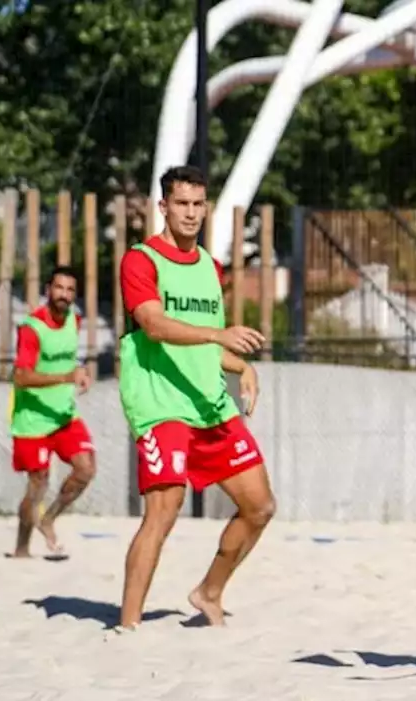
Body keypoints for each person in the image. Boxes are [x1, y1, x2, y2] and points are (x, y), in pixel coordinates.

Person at [116, 164, 273, 630]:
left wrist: (241, 364)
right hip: (162, 404)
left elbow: (204, 345)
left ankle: (208, 591)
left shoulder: (209, 265)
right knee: (163, 512)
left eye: (197, 204)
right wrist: (218, 334)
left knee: (260, 506)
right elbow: (155, 325)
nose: (190, 212)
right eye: (180, 203)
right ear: (163, 207)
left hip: (209, 404)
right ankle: (127, 626)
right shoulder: (141, 260)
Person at [9, 265, 97, 558]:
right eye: (59, 288)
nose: (64, 294)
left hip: (64, 415)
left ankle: (49, 519)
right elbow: (21, 376)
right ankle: (21, 548)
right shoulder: (32, 327)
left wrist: (80, 372)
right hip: (33, 419)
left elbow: (70, 362)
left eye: (70, 289)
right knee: (38, 484)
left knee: (86, 470)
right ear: (48, 289)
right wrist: (66, 377)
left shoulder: (75, 319)